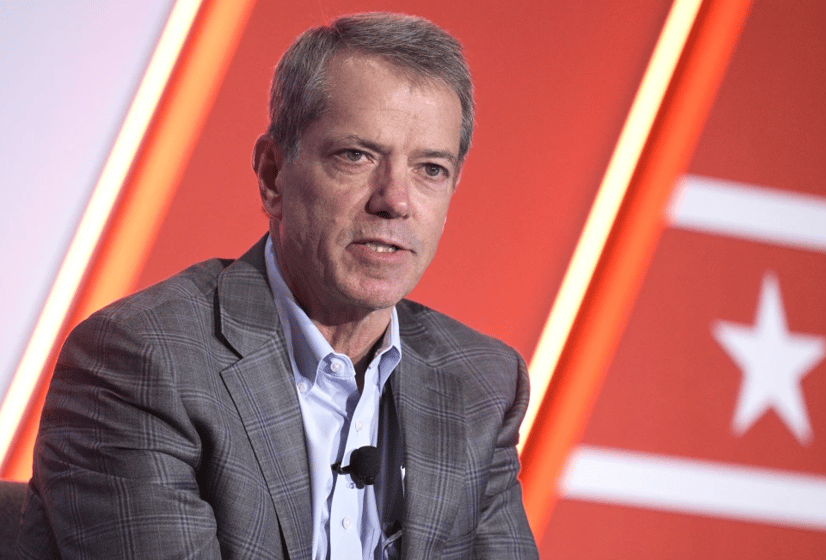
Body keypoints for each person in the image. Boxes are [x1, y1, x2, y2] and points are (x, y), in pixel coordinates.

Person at [18, 12, 538, 560]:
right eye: (356, 156)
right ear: (272, 175)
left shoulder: (479, 384)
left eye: (430, 169)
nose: (396, 200)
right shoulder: (141, 362)